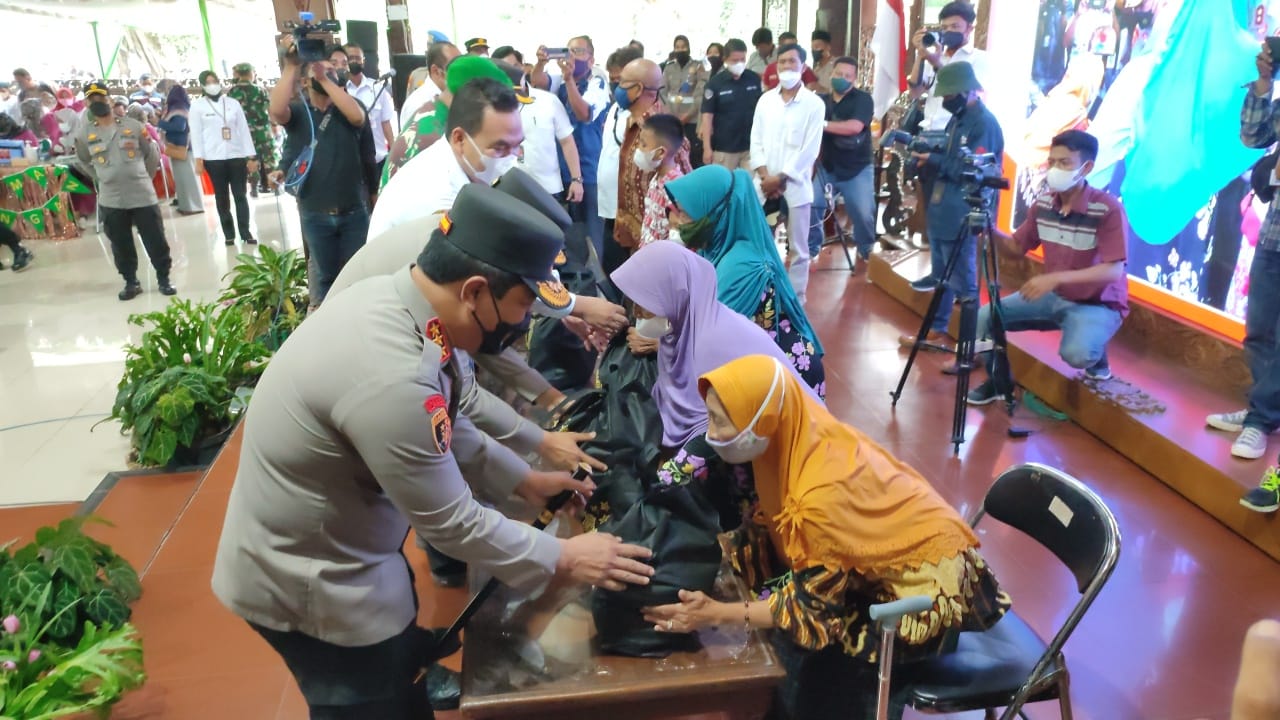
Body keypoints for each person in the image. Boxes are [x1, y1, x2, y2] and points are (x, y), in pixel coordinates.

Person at [211, 183, 654, 720]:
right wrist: (566, 557)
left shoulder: (407, 306)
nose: (523, 323)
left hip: (343, 543)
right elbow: (452, 522)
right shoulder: (391, 371)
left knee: (398, 670)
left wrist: (525, 480)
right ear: (475, 291)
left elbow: (444, 420)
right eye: (522, 306)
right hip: (310, 582)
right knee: (369, 704)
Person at [642, 353, 1009, 720]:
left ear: (761, 419)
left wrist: (717, 614)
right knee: (788, 649)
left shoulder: (818, 495)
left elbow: (811, 608)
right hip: (880, 559)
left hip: (924, 588)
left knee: (813, 674)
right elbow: (770, 532)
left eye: (720, 421)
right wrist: (702, 554)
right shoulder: (795, 436)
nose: (711, 433)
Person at [610, 242, 818, 527]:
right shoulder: (684, 330)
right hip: (747, 441)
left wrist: (662, 479)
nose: (638, 312)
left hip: (787, 451)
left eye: (645, 303)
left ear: (675, 294)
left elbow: (711, 431)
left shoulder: (709, 343)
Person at [964, 130, 1126, 406]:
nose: (1054, 169)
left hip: (1097, 303)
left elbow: (1113, 271)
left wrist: (1054, 279)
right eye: (1052, 162)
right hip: (1054, 297)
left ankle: (1096, 353)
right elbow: (1016, 249)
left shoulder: (1107, 209)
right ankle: (999, 382)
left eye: (1064, 163)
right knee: (983, 319)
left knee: (1077, 354)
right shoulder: (1043, 204)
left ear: (1086, 168)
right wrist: (988, 230)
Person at [666, 165, 826, 395]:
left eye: (685, 213)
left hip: (782, 379)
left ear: (713, 213)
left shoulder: (741, 266)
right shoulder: (713, 249)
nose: (678, 221)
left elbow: (709, 338)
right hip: (755, 369)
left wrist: (662, 344)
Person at [1209, 41, 1280, 512]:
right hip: (1275, 234)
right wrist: (1263, 84)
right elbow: (1253, 137)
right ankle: (1263, 410)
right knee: (1259, 330)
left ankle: (1260, 417)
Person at [897, 61, 1003, 350]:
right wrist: (928, 152)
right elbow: (950, 153)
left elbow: (973, 171)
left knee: (965, 284)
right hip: (943, 207)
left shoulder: (984, 124)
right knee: (941, 276)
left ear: (968, 91)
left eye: (950, 95)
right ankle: (937, 328)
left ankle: (969, 348)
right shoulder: (958, 119)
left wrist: (933, 160)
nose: (946, 100)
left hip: (963, 211)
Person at [270, 43, 376, 306]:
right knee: (326, 276)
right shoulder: (300, 112)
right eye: (321, 71)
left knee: (358, 273)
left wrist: (325, 80)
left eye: (333, 70)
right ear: (305, 81)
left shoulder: (348, 107)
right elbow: (276, 111)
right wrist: (291, 65)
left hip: (353, 212)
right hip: (315, 213)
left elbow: (357, 118)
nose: (329, 73)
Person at [371, 71, 522, 237]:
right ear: (459, 139)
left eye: (517, 146)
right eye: (499, 148)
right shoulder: (441, 201)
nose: (512, 158)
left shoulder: (452, 161)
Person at [74, 81, 176, 300]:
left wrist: (144, 176)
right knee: (120, 243)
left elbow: (151, 154)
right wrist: (101, 176)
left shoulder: (134, 126)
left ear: (110, 100)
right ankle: (131, 282)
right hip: (111, 198)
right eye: (92, 99)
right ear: (86, 104)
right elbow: (82, 160)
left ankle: (164, 278)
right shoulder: (83, 134)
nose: (97, 102)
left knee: (155, 238)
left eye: (101, 98)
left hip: (141, 193)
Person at [749, 43, 825, 303]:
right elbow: (756, 140)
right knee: (760, 242)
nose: (786, 66)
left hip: (795, 184)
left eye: (792, 61)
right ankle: (761, 294)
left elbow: (810, 150)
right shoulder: (765, 100)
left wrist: (780, 178)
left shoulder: (814, 104)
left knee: (799, 249)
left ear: (803, 67)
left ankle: (796, 300)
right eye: (782, 62)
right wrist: (765, 176)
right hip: (763, 183)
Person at [542, 36, 611, 257]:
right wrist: (540, 63)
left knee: (591, 235)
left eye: (579, 51)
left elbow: (584, 113)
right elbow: (538, 83)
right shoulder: (559, 82)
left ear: (591, 59)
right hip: (561, 171)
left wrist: (570, 80)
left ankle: (595, 277)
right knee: (566, 235)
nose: (572, 56)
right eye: (569, 50)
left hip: (589, 172)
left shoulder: (597, 84)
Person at [615, 58, 692, 252]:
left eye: (622, 82)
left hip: (660, 245)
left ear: (638, 89)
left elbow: (685, 191)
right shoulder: (633, 121)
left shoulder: (660, 131)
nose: (617, 87)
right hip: (639, 234)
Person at [810, 56, 876, 265]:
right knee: (811, 204)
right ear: (831, 74)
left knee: (863, 212)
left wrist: (821, 124)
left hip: (857, 168)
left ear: (854, 79)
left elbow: (854, 127)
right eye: (838, 74)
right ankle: (812, 247)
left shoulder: (863, 100)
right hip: (827, 167)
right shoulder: (820, 101)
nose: (842, 78)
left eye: (847, 76)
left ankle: (866, 249)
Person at [191, 70, 258, 246]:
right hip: (213, 158)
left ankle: (246, 232)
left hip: (236, 155)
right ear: (203, 86)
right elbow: (196, 134)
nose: (212, 85)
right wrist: (198, 159)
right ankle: (229, 234)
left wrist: (251, 156)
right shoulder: (197, 107)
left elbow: (243, 130)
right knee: (221, 198)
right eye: (208, 82)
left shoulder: (232, 103)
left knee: (240, 195)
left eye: (214, 81)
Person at [385, 43, 466, 186]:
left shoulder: (443, 99)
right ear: (436, 71)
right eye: (454, 66)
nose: (461, 71)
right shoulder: (420, 102)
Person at [501, 61, 583, 201]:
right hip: (509, 188)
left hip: (548, 188)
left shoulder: (548, 101)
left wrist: (576, 179)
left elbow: (567, 141)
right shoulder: (493, 106)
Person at [909, 1, 990, 132]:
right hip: (928, 130)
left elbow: (966, 95)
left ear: (969, 29)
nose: (948, 31)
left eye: (954, 26)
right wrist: (921, 53)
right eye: (944, 27)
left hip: (957, 133)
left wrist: (936, 63)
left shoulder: (979, 58)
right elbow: (914, 93)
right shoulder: (936, 56)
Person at [598, 46, 644, 274]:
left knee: (628, 272)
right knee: (611, 268)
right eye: (613, 79)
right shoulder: (616, 108)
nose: (615, 87)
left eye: (620, 81)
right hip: (610, 205)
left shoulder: (648, 118)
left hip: (630, 212)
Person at [342, 43, 398, 179]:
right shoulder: (340, 91)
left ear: (363, 61)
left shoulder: (377, 88)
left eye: (357, 58)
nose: (354, 61)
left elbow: (386, 123)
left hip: (378, 159)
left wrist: (394, 153)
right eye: (350, 58)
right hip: (350, 164)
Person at [635, 113, 685, 247]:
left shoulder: (675, 189)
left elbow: (677, 239)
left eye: (643, 145)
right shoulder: (657, 177)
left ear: (661, 152)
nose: (638, 149)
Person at [227, 63, 276, 196]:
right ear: (250, 74)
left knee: (251, 159)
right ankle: (275, 186)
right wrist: (274, 125)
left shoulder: (232, 92)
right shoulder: (260, 90)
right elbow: (269, 109)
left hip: (244, 133)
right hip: (263, 131)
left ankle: (254, 188)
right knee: (269, 157)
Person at [659, 34, 708, 168]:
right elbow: (662, 92)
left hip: (691, 121)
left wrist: (687, 116)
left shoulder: (698, 67)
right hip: (672, 120)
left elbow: (700, 94)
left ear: (689, 48)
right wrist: (668, 113)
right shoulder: (669, 68)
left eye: (683, 47)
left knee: (693, 156)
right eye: (677, 47)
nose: (680, 50)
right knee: (674, 156)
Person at [156, 84, 204, 216]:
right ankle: (187, 205)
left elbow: (179, 127)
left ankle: (192, 207)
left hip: (182, 148)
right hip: (184, 147)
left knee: (186, 180)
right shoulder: (184, 107)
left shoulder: (178, 109)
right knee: (185, 179)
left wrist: (159, 122)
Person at [400, 42, 461, 132]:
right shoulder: (419, 104)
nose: (461, 73)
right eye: (455, 68)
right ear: (436, 71)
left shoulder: (454, 96)